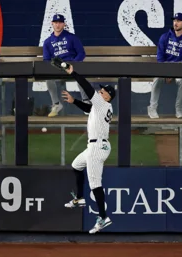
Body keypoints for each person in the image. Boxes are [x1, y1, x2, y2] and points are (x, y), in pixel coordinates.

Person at [59, 61, 116, 234]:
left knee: (95, 183)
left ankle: (103, 217)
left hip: (97, 147)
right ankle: (80, 199)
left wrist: (73, 73)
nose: (100, 91)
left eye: (103, 91)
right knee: (76, 165)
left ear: (107, 96)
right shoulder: (103, 106)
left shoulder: (102, 103)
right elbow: (89, 107)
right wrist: (74, 100)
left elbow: (87, 87)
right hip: (97, 145)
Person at [147, 12, 182, 119]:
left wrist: (172, 73)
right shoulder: (165, 37)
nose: (175, 23)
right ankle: (152, 108)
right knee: (157, 78)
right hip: (163, 70)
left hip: (178, 71)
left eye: (178, 21)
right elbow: (160, 57)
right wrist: (166, 72)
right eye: (174, 21)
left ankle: (179, 109)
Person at [43, 14, 89, 117]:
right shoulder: (47, 42)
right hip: (57, 68)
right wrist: (54, 66)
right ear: (52, 24)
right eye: (55, 23)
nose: (57, 25)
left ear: (64, 24)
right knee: (48, 78)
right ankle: (56, 104)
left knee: (80, 75)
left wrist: (74, 64)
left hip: (71, 66)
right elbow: (46, 60)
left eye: (60, 22)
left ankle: (85, 101)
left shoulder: (72, 38)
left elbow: (81, 53)